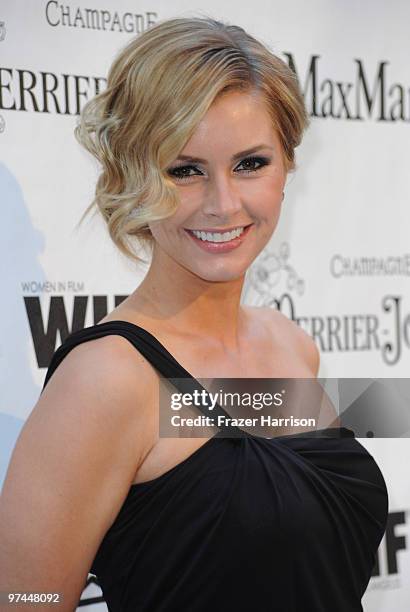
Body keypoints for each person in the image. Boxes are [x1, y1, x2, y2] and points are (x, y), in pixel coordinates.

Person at [0, 15, 388, 612]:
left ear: (288, 165)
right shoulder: (108, 380)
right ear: (132, 176)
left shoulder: (290, 346)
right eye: (185, 170)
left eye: (250, 164)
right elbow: (24, 600)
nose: (223, 203)